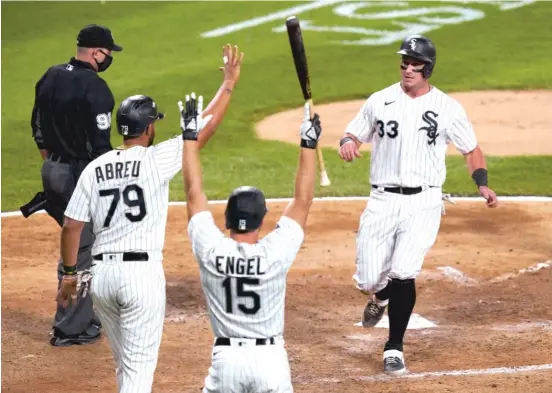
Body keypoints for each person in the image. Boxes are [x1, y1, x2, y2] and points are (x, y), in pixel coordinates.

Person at [56, 43, 243, 393]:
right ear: (148, 129)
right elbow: (203, 129)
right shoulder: (156, 160)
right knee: (139, 373)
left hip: (102, 278)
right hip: (141, 277)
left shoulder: (95, 168)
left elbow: (71, 226)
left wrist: (69, 274)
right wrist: (229, 83)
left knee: (126, 366)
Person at [338, 34, 498, 375]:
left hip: (424, 201)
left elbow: (471, 149)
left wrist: (481, 183)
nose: (408, 69)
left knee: (404, 271)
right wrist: (347, 143)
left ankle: (394, 346)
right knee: (368, 277)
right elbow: (353, 133)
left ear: (428, 68)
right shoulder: (379, 100)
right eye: (404, 63)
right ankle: (379, 296)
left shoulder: (448, 108)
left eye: (416, 65)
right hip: (382, 199)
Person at [182, 98, 322, 392]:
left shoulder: (211, 250)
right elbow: (302, 201)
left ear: (227, 219)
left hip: (227, 359)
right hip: (269, 360)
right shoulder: (274, 253)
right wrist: (308, 144)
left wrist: (189, 138)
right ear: (261, 221)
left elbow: (194, 193)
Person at [29, 23, 123, 347]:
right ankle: (70, 328)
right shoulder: (96, 89)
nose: (108, 58)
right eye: (108, 53)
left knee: (85, 241)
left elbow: (38, 127)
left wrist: (53, 161)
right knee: (82, 246)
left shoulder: (51, 75)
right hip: (80, 175)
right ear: (97, 52)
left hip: (51, 170)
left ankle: (85, 314)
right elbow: (99, 148)